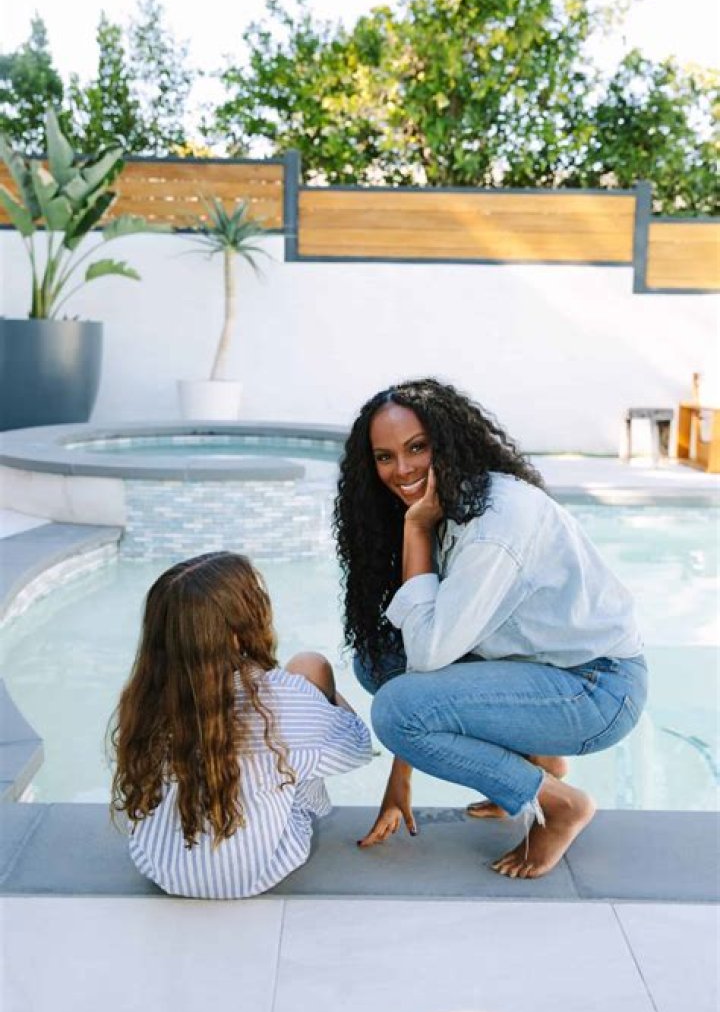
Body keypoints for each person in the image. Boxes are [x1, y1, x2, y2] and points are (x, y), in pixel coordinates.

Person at [334, 377, 647, 879]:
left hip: (595, 690)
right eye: (385, 456)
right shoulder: (450, 500)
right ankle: (537, 761)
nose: (403, 469)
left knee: (396, 712)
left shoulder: (492, 527)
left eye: (417, 447)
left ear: (449, 440)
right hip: (539, 669)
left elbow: (431, 657)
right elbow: (416, 660)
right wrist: (400, 781)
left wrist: (415, 529)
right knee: (377, 661)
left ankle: (560, 803)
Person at [109, 551, 372, 899]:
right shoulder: (279, 700)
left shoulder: (145, 700)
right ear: (241, 625)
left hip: (160, 867)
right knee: (311, 666)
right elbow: (358, 748)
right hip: (259, 871)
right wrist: (324, 698)